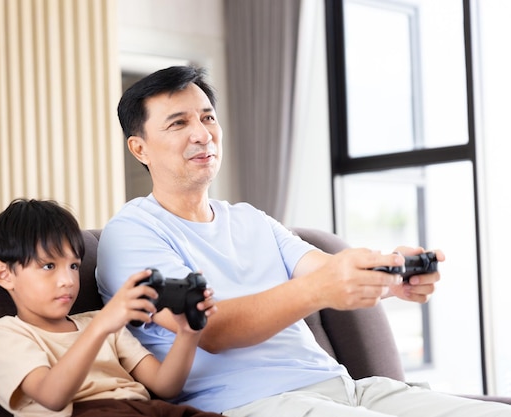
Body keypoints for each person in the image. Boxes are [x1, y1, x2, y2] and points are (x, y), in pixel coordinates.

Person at [96, 66, 511, 416]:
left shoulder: (250, 219)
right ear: (139, 148)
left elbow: (324, 271)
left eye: (207, 117)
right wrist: (320, 288)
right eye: (179, 123)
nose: (203, 134)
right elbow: (211, 329)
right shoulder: (130, 234)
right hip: (255, 403)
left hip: (345, 389)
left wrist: (388, 275)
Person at [0, 198, 219, 417]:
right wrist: (101, 326)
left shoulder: (101, 322)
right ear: (4, 274)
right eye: (49, 266)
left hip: (145, 408)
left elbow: (165, 386)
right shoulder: (5, 334)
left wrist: (188, 333)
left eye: (73, 266)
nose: (68, 280)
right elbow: (52, 397)